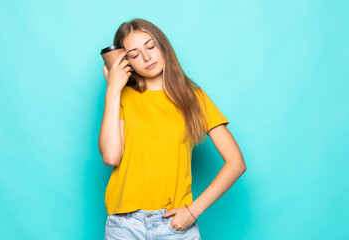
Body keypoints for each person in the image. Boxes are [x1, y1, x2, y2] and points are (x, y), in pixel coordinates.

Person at [98, 18, 246, 240]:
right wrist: (113, 90)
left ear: (162, 46)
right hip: (125, 225)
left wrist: (193, 211)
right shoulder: (122, 98)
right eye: (135, 55)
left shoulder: (193, 98)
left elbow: (236, 163)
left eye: (150, 47)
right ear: (125, 62)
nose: (147, 57)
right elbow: (111, 157)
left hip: (174, 226)